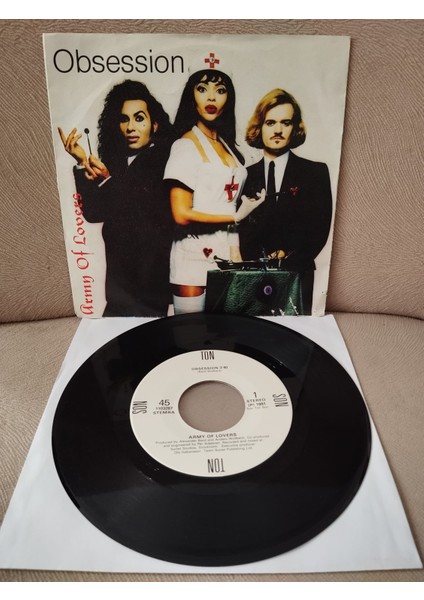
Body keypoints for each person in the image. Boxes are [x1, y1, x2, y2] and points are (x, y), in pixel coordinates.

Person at [59, 80, 175, 317]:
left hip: (148, 287)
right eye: (124, 119)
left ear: (155, 125)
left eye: (139, 118)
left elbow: (143, 213)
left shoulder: (165, 161)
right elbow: (94, 213)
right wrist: (82, 163)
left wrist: (107, 180)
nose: (130, 127)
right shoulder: (117, 162)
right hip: (118, 287)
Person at [163, 54, 264, 314]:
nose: (211, 97)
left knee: (228, 330)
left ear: (228, 98)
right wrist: (235, 215)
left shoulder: (228, 147)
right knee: (191, 332)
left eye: (220, 90)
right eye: (202, 89)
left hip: (229, 252)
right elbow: (181, 214)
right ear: (191, 96)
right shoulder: (185, 145)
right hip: (193, 255)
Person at [239, 88, 333, 314]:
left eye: (286, 123)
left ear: (295, 128)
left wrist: (287, 256)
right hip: (250, 278)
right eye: (270, 122)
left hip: (298, 274)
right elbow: (237, 230)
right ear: (259, 127)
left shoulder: (315, 172)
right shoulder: (243, 175)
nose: (278, 130)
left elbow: (320, 229)